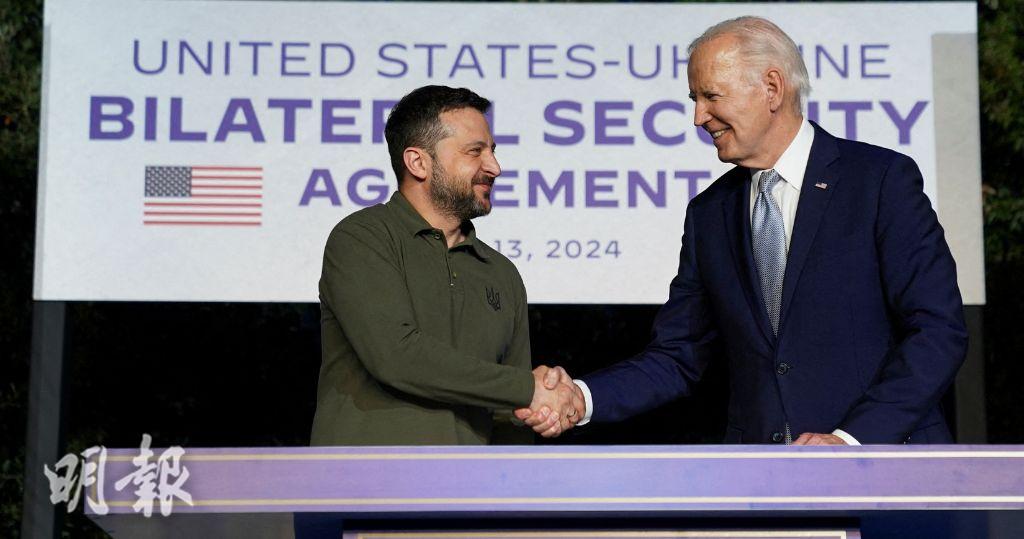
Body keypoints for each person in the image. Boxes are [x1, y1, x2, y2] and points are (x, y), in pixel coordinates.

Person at [518, 16, 967, 445]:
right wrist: (581, 398)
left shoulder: (879, 181)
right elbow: (679, 355)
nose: (699, 117)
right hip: (766, 478)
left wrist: (851, 440)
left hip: (884, 468)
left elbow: (937, 330)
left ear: (772, 88)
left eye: (711, 96)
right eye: (694, 99)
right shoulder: (709, 214)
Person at [309, 85, 581, 448]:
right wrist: (529, 389)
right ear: (418, 162)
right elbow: (397, 356)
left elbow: (509, 411)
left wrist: (536, 413)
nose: (495, 167)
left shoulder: (500, 273)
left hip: (470, 483)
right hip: (366, 480)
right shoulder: (363, 238)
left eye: (493, 151)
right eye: (475, 152)